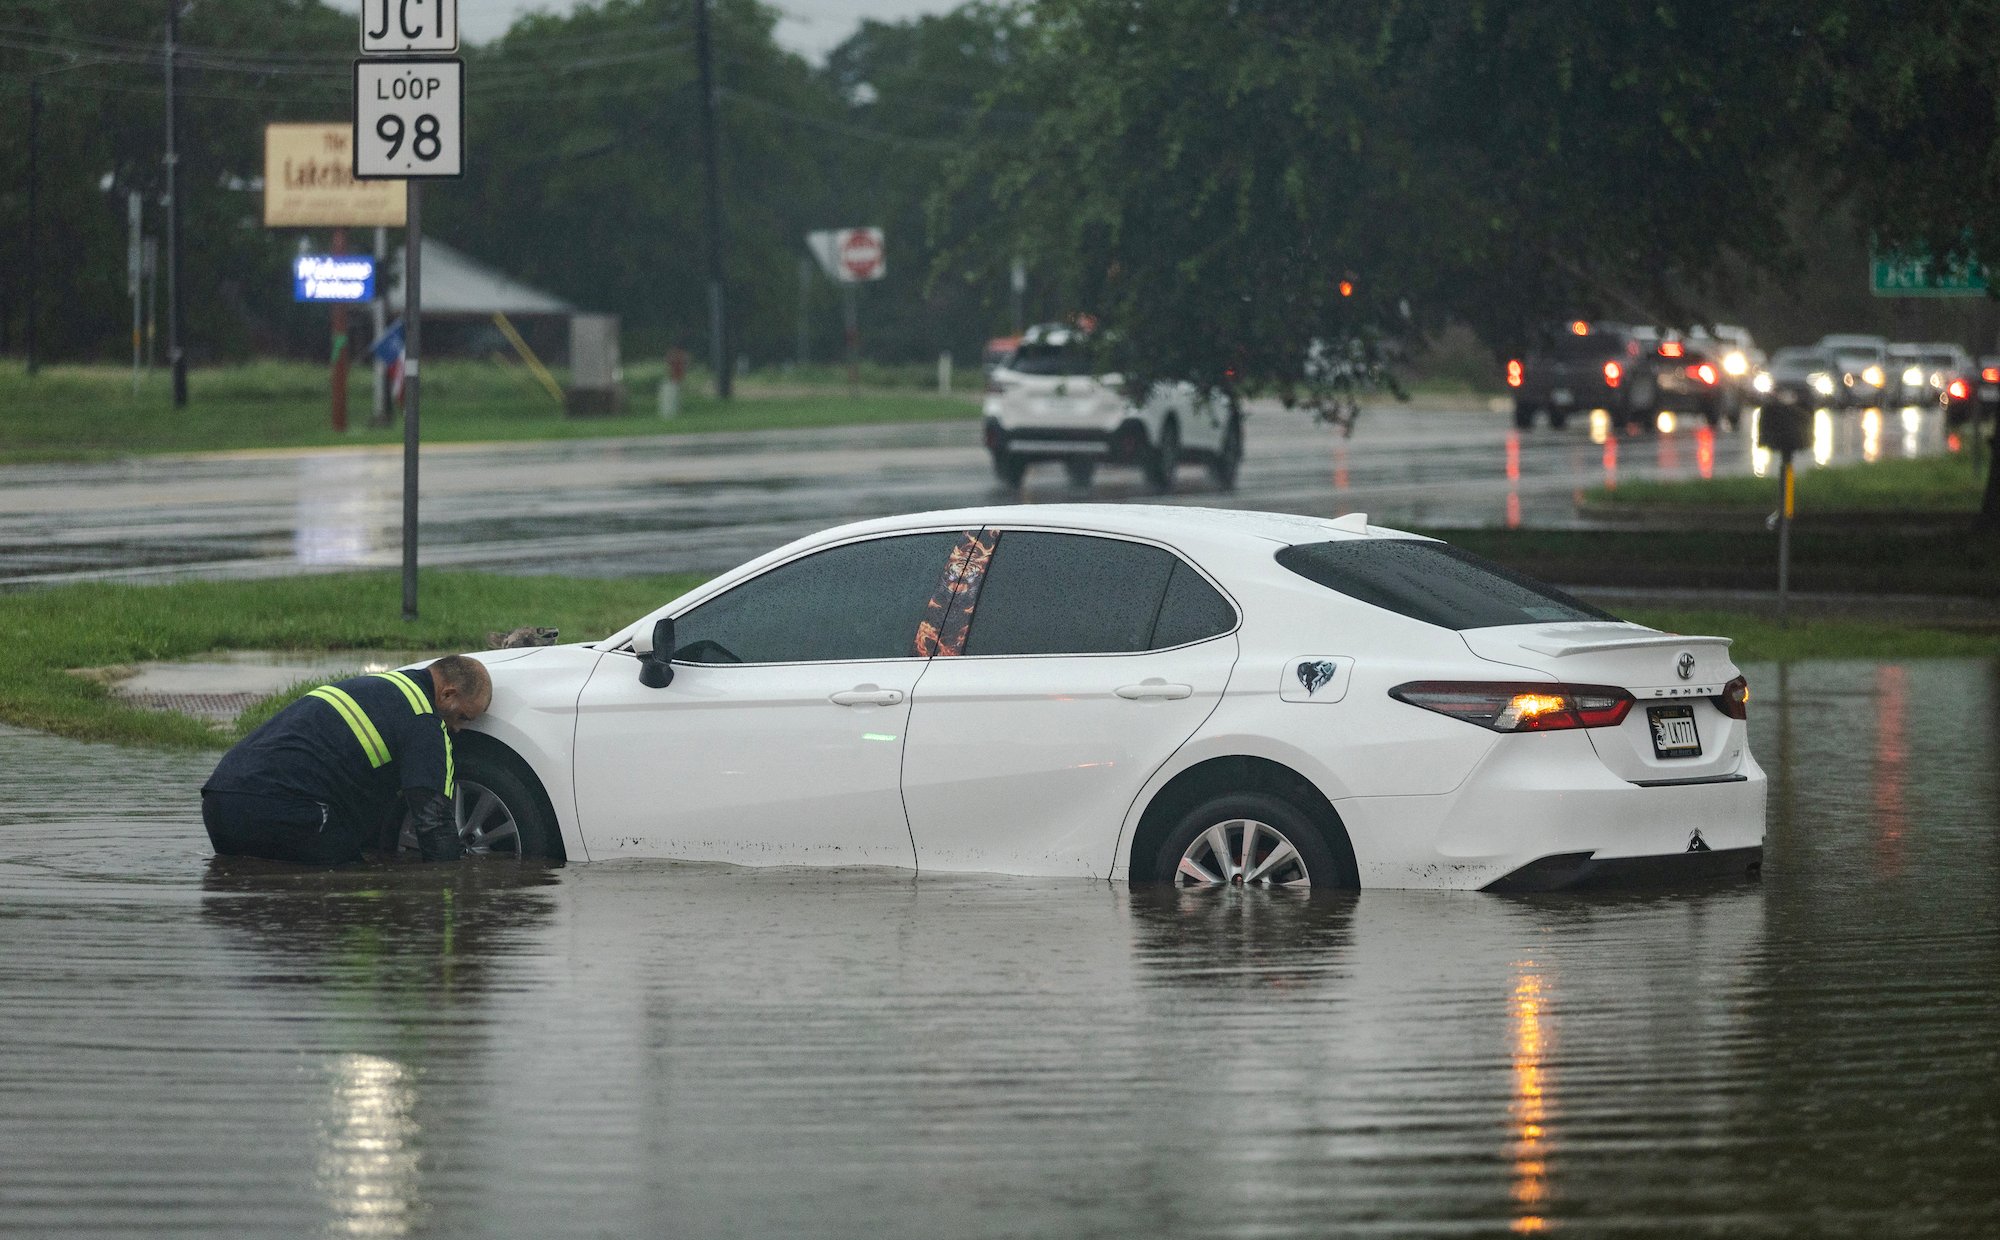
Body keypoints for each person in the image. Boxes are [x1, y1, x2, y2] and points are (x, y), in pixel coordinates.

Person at [201, 655, 493, 866]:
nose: (458, 728)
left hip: (219, 804)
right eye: (463, 717)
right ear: (448, 693)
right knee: (357, 889)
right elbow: (433, 823)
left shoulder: (378, 685)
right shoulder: (423, 720)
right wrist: (456, 888)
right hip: (284, 811)